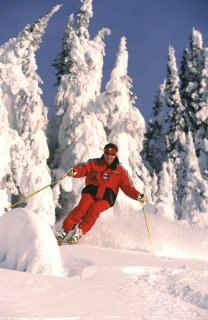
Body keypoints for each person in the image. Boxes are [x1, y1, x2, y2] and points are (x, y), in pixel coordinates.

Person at [56, 143, 145, 245]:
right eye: (107, 153)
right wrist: (74, 171)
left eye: (112, 154)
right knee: (81, 208)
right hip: (91, 191)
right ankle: (64, 231)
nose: (109, 156)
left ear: (115, 155)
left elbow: (128, 187)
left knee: (94, 210)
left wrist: (138, 195)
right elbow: (82, 168)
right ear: (104, 152)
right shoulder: (94, 163)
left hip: (106, 198)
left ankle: (79, 232)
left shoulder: (120, 171)